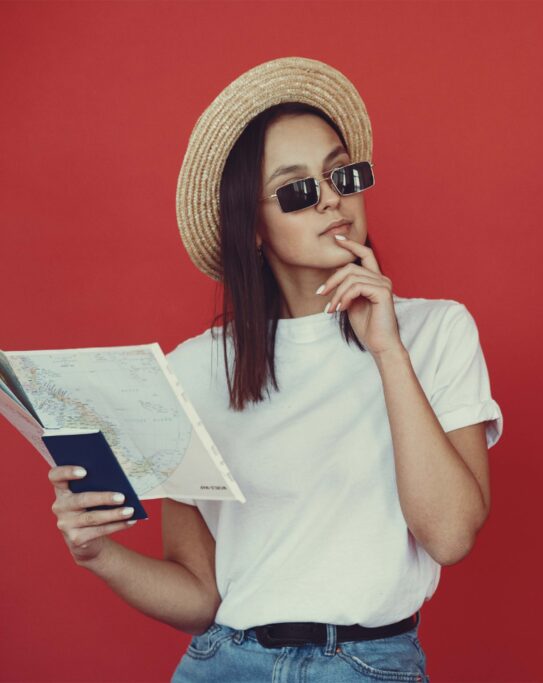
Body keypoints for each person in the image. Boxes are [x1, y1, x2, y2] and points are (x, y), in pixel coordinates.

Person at [46, 56, 503, 682]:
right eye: (296, 190)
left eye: (342, 174)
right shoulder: (196, 369)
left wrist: (388, 352)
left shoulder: (435, 331)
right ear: (254, 227)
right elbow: (200, 597)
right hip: (223, 663)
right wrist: (97, 553)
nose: (332, 199)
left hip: (366, 664)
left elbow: (450, 535)